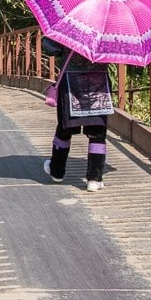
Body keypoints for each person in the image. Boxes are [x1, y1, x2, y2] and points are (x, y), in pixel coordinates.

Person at [41, 36, 112, 192]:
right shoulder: (109, 32)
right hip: (98, 83)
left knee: (65, 129)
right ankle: (94, 179)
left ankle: (56, 171)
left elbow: (51, 48)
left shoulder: (72, 28)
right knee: (97, 132)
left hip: (71, 82)